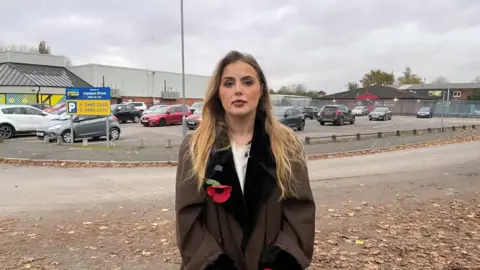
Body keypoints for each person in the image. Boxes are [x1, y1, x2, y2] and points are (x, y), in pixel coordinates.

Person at [175, 50, 315, 270]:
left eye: (247, 82)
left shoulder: (287, 145)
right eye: (229, 83)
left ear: (261, 90)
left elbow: (300, 210)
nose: (238, 90)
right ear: (218, 93)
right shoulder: (195, 148)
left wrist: (281, 261)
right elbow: (188, 218)